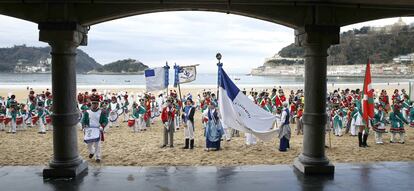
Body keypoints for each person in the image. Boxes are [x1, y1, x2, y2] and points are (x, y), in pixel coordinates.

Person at [81, 94, 108, 163]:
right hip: (89, 129)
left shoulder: (101, 112)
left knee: (97, 144)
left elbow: (105, 120)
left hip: (97, 129)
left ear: (98, 104)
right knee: (88, 144)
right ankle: (92, 152)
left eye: (96, 103)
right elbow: (83, 120)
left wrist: (102, 126)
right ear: (91, 104)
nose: (94, 105)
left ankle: (97, 157)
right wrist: (84, 127)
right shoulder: (87, 112)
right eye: (93, 103)